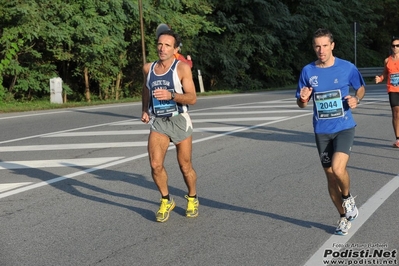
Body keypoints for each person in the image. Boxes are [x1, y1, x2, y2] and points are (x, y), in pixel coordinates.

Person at [296, 28, 365, 235]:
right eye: (317, 46)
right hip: (321, 130)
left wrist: (356, 99)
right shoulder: (308, 71)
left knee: (337, 168)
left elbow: (360, 87)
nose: (321, 50)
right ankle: (343, 217)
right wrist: (303, 98)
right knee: (330, 176)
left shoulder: (346, 67)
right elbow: (301, 104)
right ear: (313, 47)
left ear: (332, 45)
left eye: (325, 45)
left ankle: (347, 197)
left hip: (344, 127)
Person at [141, 29, 199, 223]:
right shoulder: (148, 69)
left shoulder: (181, 68)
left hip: (179, 120)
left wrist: (172, 95)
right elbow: (145, 89)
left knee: (185, 166)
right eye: (160, 44)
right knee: (155, 165)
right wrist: (144, 109)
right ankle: (166, 199)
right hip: (159, 122)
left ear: (175, 49)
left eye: (167, 45)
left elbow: (192, 98)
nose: (162, 48)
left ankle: (192, 197)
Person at [375, 36, 399, 148]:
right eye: (393, 45)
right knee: (396, 112)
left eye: (397, 46)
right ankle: (398, 139)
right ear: (391, 47)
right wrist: (380, 78)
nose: (395, 47)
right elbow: (385, 73)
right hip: (392, 89)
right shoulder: (387, 60)